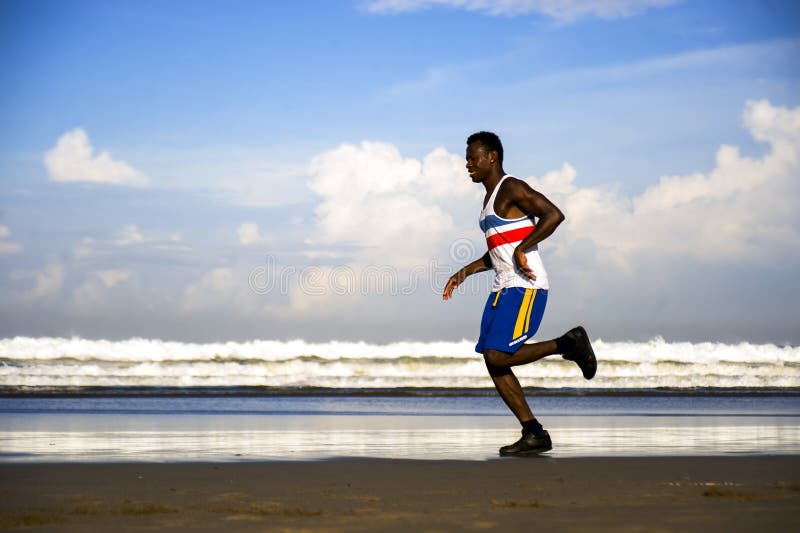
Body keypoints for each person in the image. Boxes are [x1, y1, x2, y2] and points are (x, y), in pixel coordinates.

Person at [442, 131, 596, 456]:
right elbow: (499, 252)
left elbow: (554, 214)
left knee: (498, 355)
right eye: (467, 159)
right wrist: (465, 272)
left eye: (473, 158)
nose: (467, 164)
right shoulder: (487, 203)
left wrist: (524, 248)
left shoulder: (511, 187)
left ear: (492, 156)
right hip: (502, 288)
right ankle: (533, 433)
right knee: (492, 360)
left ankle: (568, 343)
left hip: (526, 285)